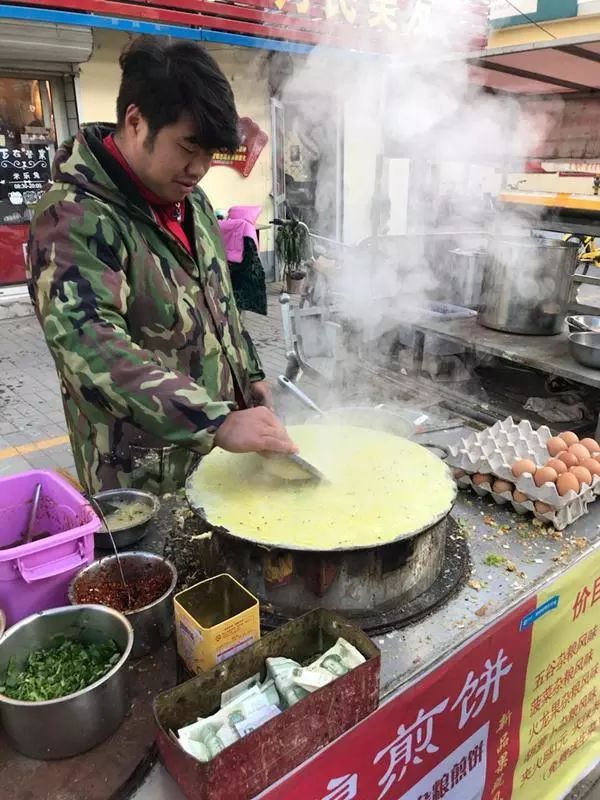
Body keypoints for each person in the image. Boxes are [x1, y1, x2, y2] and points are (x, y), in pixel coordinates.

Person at [27, 35, 296, 494]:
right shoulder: (72, 217)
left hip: (215, 460)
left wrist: (249, 375)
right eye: (188, 147)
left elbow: (220, 301)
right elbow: (92, 351)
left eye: (211, 154)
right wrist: (215, 421)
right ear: (136, 121)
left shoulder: (191, 202)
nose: (199, 168)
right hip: (140, 475)